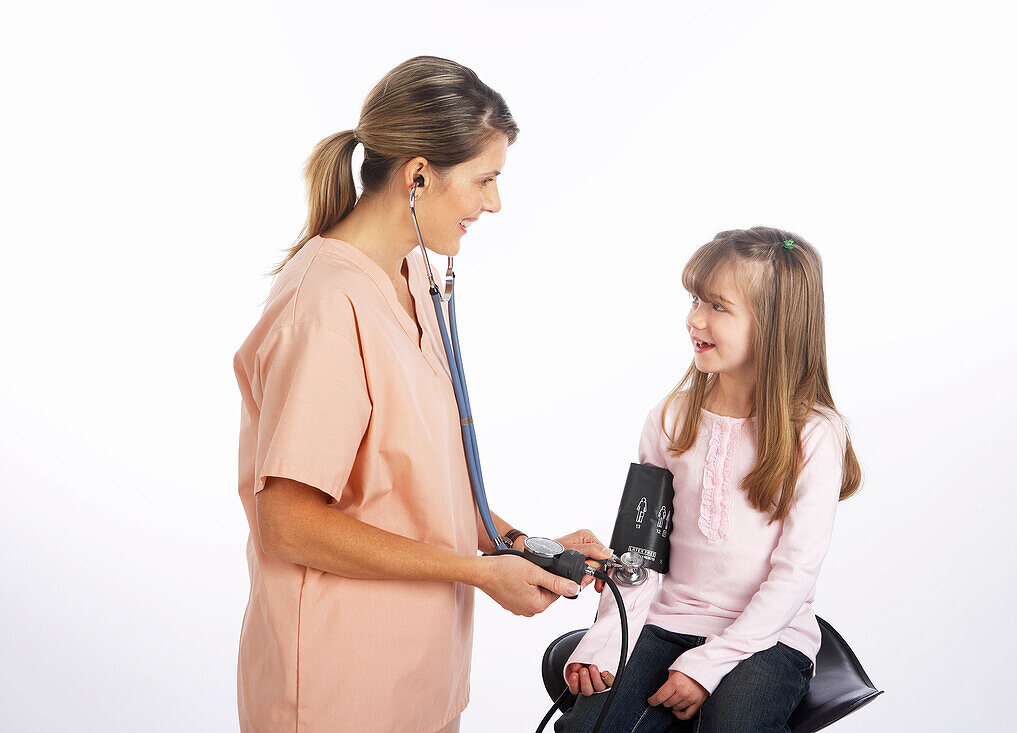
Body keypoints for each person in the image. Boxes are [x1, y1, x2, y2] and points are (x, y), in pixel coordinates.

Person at [233, 55, 610, 733]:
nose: (494, 202)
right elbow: (286, 519)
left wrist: (519, 542)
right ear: (418, 175)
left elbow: (417, 484)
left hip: (419, 680)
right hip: (338, 688)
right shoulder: (324, 305)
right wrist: (475, 569)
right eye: (485, 179)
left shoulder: (410, 274)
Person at [556, 228, 863, 732]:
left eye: (718, 306)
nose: (694, 319)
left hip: (769, 635)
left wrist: (708, 664)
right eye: (696, 299)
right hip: (667, 623)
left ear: (774, 324)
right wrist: (608, 640)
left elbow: (795, 573)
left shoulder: (813, 432)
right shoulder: (670, 420)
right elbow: (639, 554)